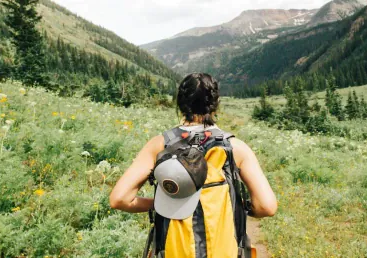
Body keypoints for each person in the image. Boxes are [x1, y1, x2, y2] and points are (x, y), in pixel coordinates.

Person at [110, 73, 277, 257]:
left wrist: (157, 204)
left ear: (180, 103)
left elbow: (120, 199)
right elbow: (267, 206)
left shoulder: (159, 145)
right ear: (215, 103)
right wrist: (239, 206)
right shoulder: (235, 148)